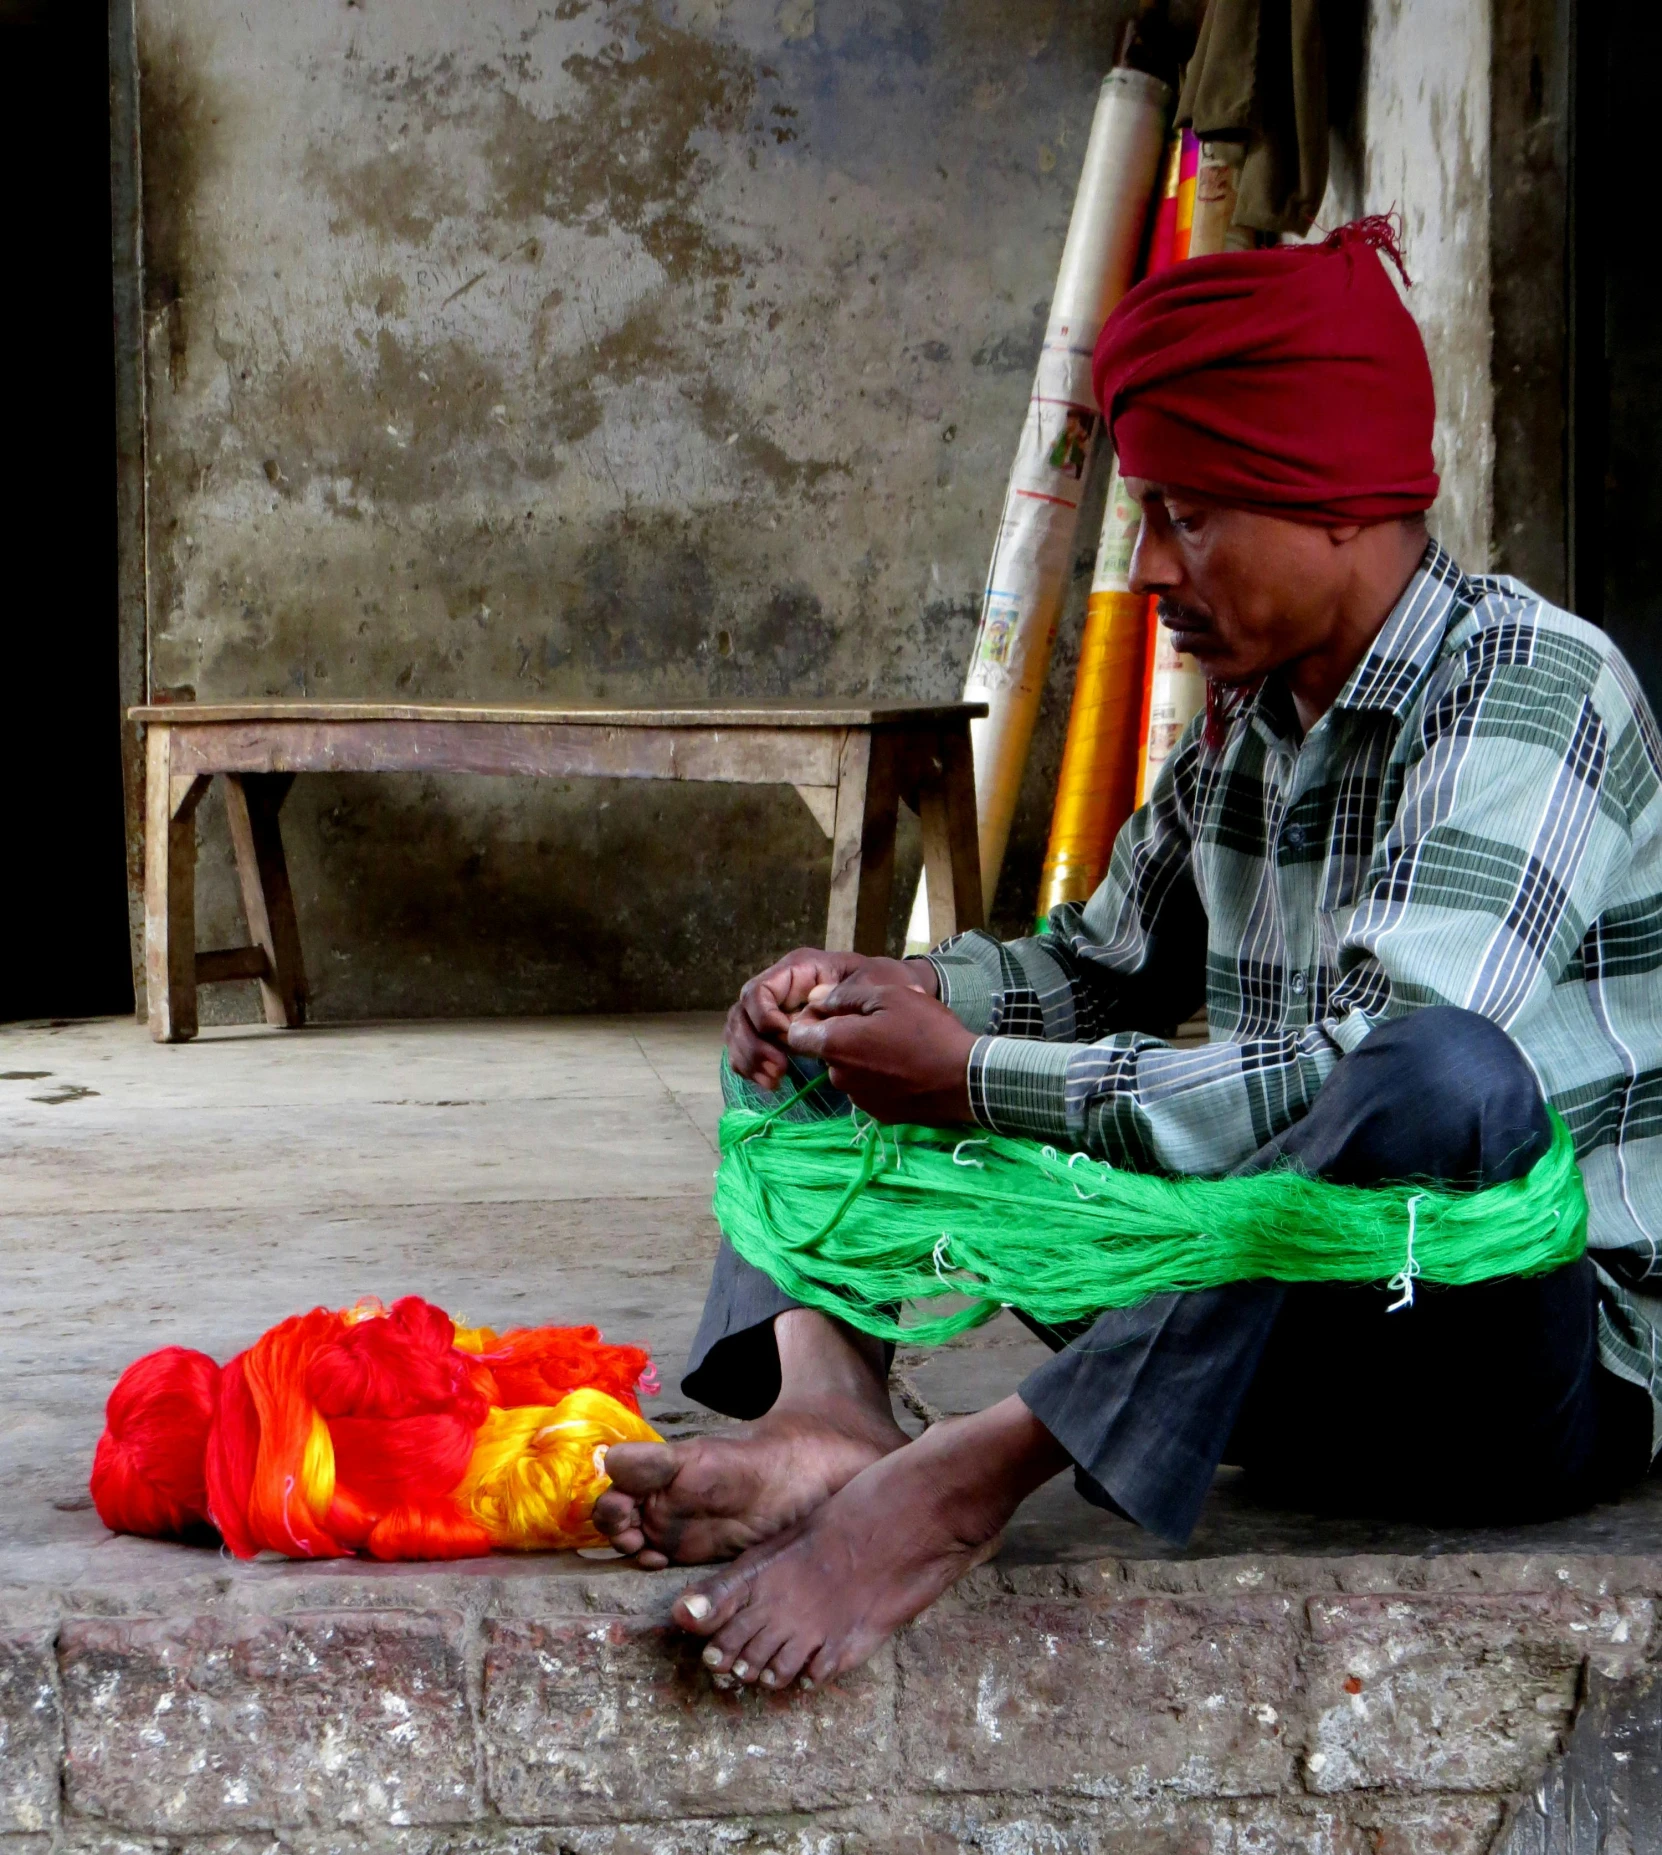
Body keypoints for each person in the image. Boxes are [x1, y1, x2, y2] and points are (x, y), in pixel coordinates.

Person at [594, 219, 1662, 1691]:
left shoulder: (1536, 688)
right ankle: (828, 1412)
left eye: (1188, 517)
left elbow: (1373, 1064)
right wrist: (897, 998)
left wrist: (971, 1077)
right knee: (820, 1039)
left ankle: (980, 1467)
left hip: (1496, 1371)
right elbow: (1093, 969)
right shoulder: (1251, 717)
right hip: (1251, 1348)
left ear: (1338, 504)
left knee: (1443, 1078)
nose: (1153, 568)